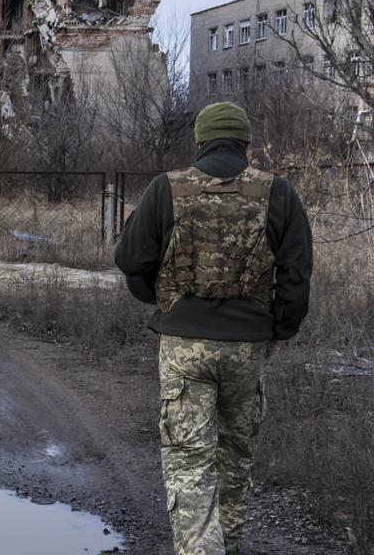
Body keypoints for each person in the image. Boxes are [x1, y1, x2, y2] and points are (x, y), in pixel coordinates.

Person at [115, 101, 312, 555]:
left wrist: (162, 302)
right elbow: (296, 275)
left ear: (199, 142)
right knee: (233, 459)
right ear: (246, 144)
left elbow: (129, 259)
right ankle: (229, 545)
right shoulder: (278, 192)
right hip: (248, 346)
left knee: (189, 459)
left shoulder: (167, 189)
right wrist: (276, 329)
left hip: (184, 344)